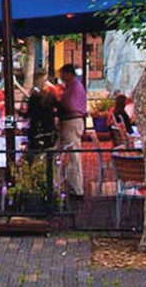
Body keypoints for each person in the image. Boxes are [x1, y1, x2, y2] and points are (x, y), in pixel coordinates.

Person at [55, 64, 88, 196]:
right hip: (69, 122)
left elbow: (70, 106)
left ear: (68, 74)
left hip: (72, 122)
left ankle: (78, 189)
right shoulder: (70, 86)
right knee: (66, 155)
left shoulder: (74, 86)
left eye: (62, 74)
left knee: (74, 155)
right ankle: (67, 184)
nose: (61, 77)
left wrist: (57, 102)